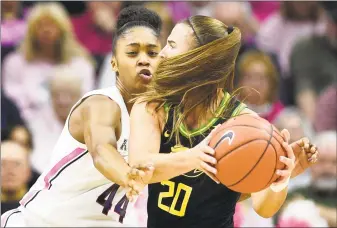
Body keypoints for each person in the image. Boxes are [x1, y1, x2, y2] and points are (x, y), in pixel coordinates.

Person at [127, 15, 318, 228]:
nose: (161, 53)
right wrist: (194, 157)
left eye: (171, 45)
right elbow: (138, 169)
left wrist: (278, 179)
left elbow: (264, 208)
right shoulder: (153, 105)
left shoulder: (242, 122)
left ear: (198, 60)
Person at [1, 6, 161, 227]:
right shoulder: (102, 104)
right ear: (113, 62)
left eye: (152, 53)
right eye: (132, 53)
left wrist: (198, 157)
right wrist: (128, 175)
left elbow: (164, 166)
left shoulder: (157, 116)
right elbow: (101, 150)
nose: (144, 60)